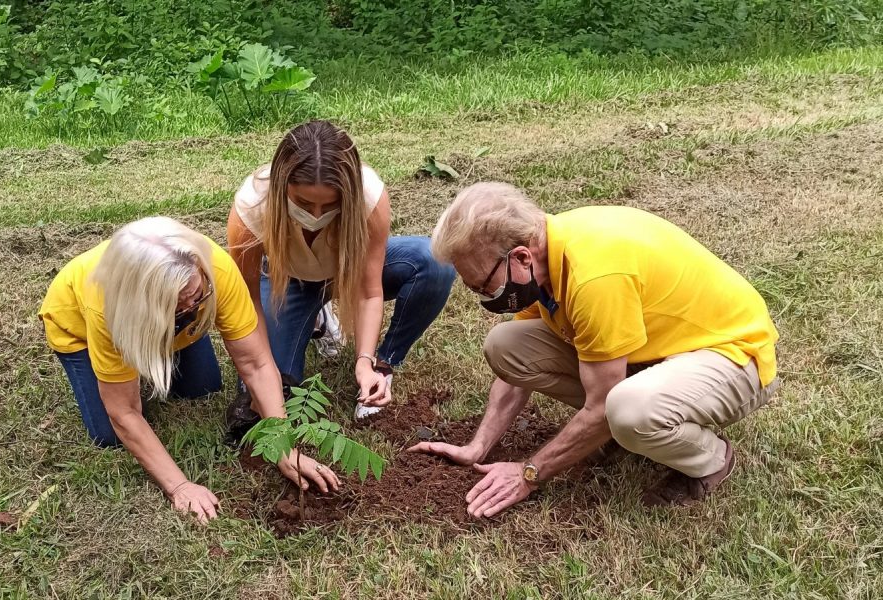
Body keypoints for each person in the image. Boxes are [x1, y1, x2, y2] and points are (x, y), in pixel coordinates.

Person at [411, 182, 780, 517]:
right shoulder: (545, 257)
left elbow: (603, 406)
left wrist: (528, 474)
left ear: (521, 257)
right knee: (506, 345)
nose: (484, 296)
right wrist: (478, 447)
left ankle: (711, 459)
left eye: (482, 286)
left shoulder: (594, 275)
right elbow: (516, 370)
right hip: (658, 351)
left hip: (733, 356)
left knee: (625, 409)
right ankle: (623, 432)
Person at [39, 217, 340, 523]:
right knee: (109, 435)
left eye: (196, 296)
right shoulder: (106, 307)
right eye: (176, 303)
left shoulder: (216, 269)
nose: (191, 307)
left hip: (165, 325)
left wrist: (284, 447)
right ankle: (136, 352)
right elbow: (124, 411)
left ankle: (165, 337)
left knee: (203, 387)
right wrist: (179, 486)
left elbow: (256, 363)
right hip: (79, 331)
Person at [225, 120, 456, 429]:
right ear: (283, 186)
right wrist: (260, 373)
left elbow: (368, 291)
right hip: (286, 282)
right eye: (304, 203)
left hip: (347, 273)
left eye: (330, 204)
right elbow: (246, 301)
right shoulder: (253, 204)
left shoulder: (369, 195)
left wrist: (365, 362)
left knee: (434, 261)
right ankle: (316, 317)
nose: (316, 216)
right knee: (277, 391)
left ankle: (383, 368)